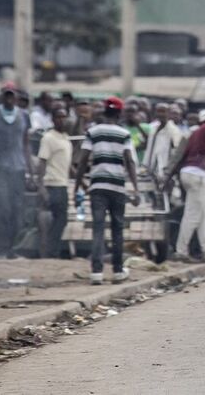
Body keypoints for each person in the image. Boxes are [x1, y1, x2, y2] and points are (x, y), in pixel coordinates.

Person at [75, 97, 140, 284]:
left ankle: (96, 272)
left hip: (98, 187)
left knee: (98, 228)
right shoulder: (124, 134)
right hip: (118, 187)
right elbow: (130, 161)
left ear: (104, 112)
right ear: (119, 114)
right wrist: (135, 189)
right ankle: (118, 271)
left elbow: (82, 161)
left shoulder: (93, 132)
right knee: (117, 229)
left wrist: (78, 184)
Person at [167, 110, 205, 264]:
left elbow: (183, 155)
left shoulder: (195, 132)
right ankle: (181, 251)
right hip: (198, 175)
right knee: (194, 216)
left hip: (188, 173)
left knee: (203, 216)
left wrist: (170, 176)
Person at [0, 87, 35, 258]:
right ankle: (2, 247)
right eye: (6, 96)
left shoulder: (23, 116)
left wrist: (31, 172)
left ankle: (13, 248)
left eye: (12, 96)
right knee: (1, 208)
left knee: (16, 209)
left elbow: (26, 144)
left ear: (16, 98)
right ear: (2, 97)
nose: (9, 99)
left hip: (17, 168)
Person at [38, 104, 74, 258]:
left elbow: (68, 163)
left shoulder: (65, 138)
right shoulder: (48, 138)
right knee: (57, 220)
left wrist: (82, 182)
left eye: (64, 117)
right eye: (58, 117)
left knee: (62, 220)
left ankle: (52, 250)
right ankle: (50, 252)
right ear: (53, 119)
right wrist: (41, 186)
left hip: (63, 184)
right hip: (52, 184)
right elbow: (42, 162)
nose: (62, 120)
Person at [144, 102, 185, 184]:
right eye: (158, 111)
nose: (160, 114)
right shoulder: (153, 128)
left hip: (165, 173)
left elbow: (177, 153)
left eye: (163, 111)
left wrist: (169, 172)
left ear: (169, 113)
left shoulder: (174, 130)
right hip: (150, 170)